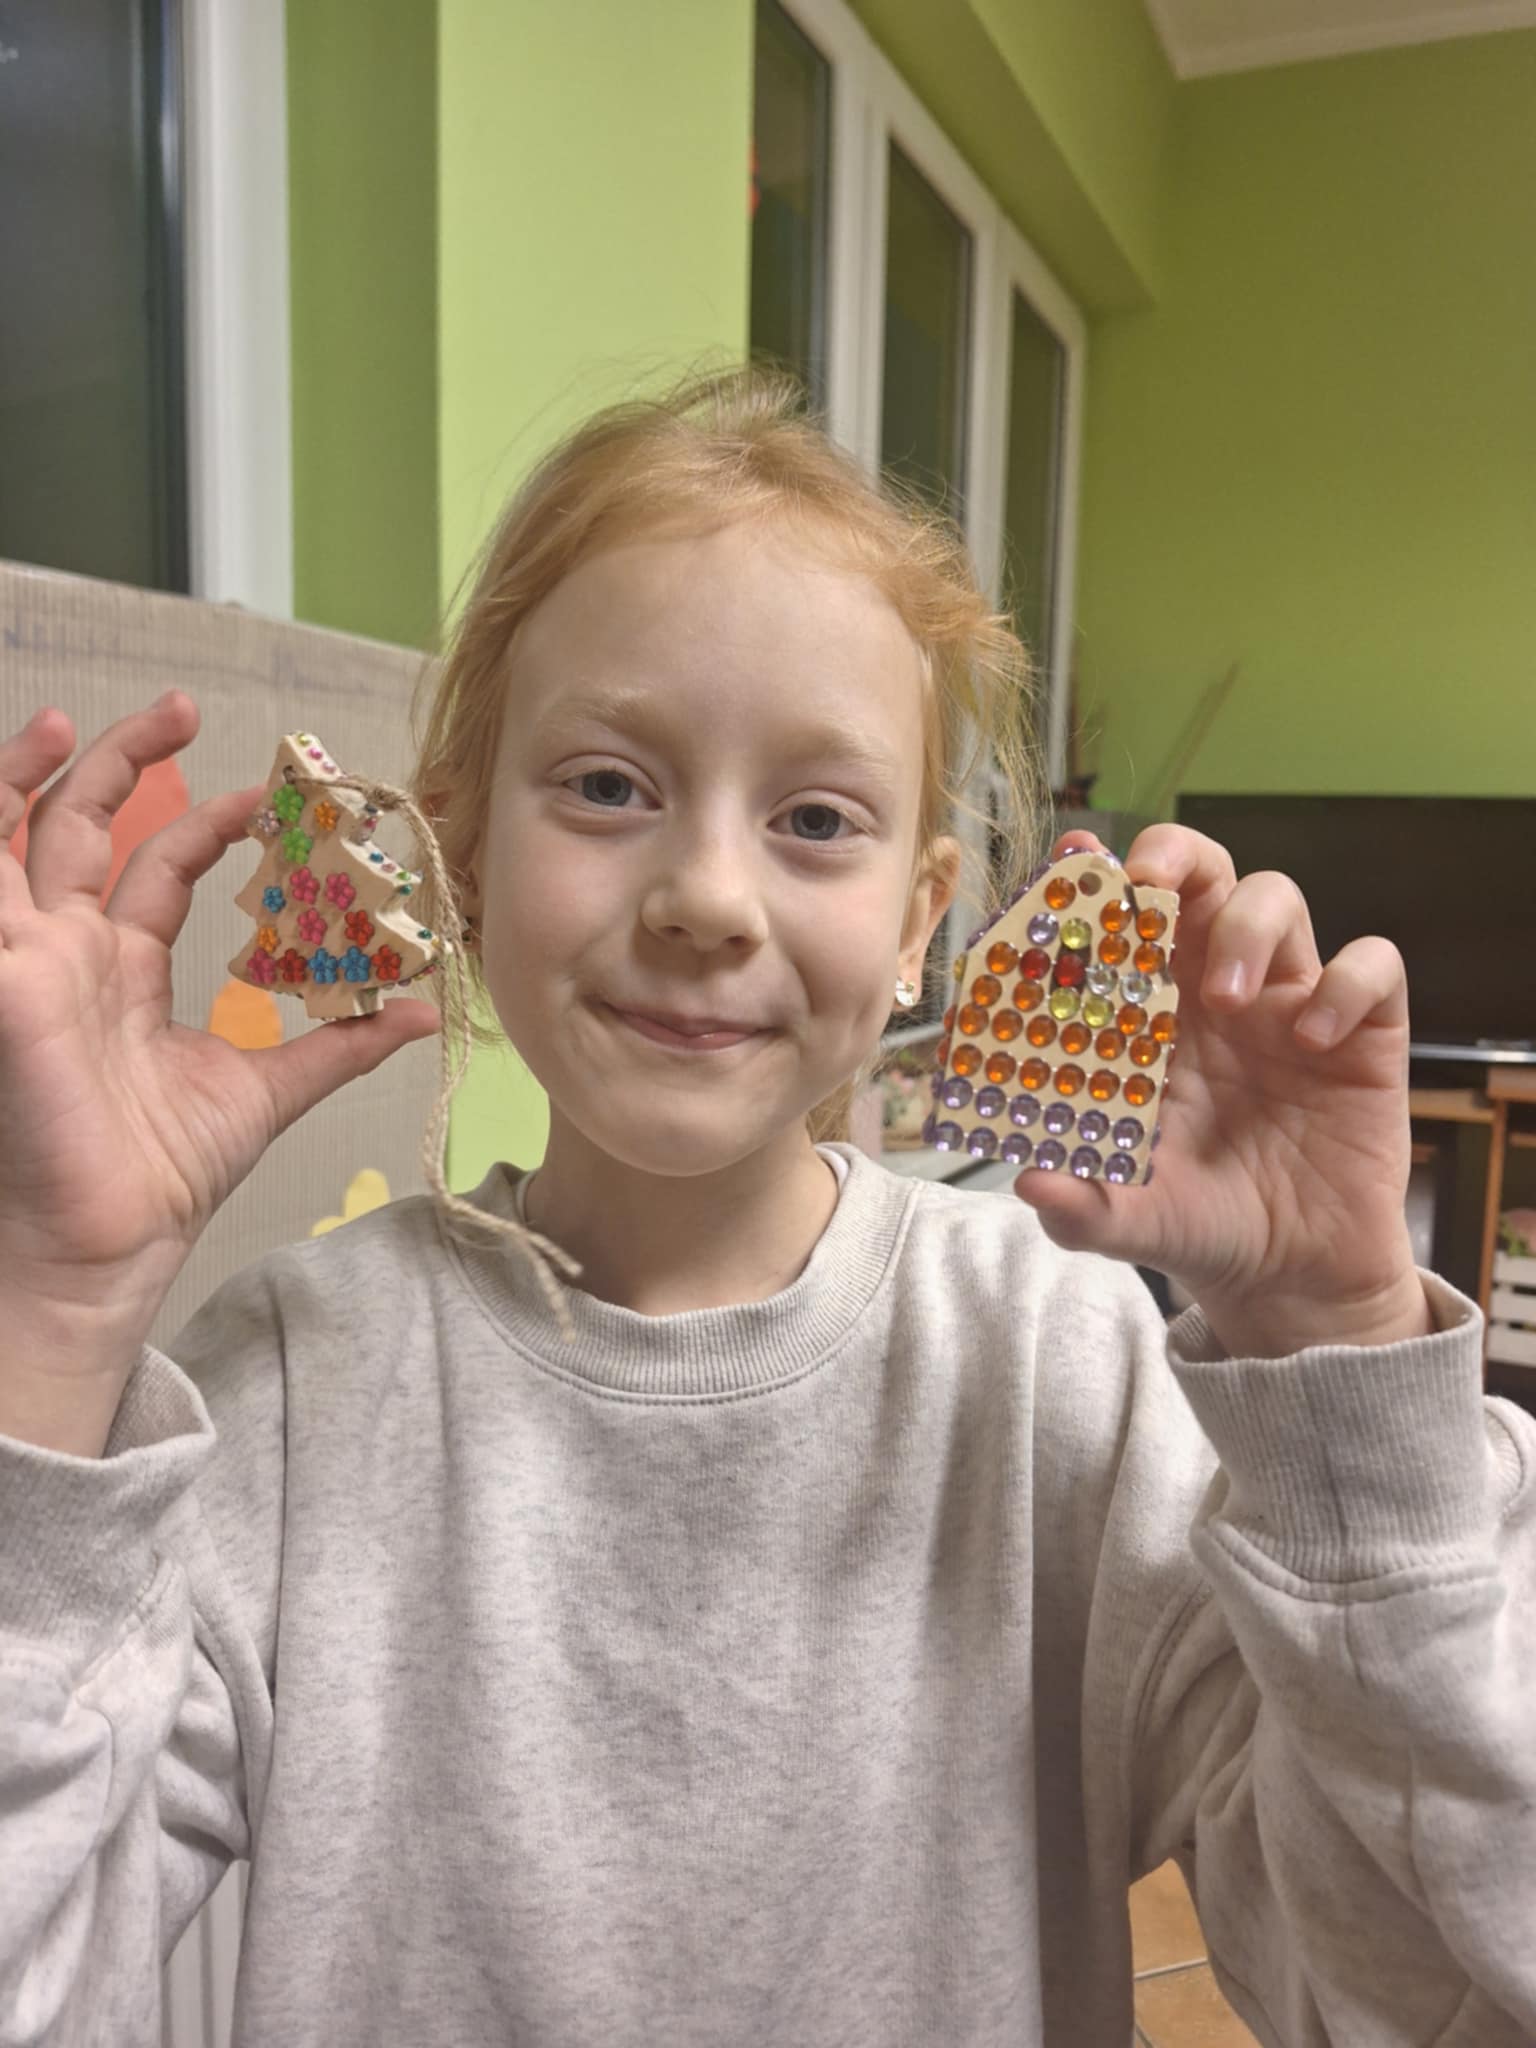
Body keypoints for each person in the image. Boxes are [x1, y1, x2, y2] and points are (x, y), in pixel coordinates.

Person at [0, 367, 1531, 2048]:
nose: (709, 899)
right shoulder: (300, 1383)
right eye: (606, 786)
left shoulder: (1058, 1368)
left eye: (815, 820)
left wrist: (1336, 1348)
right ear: (460, 846)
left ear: (920, 924)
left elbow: (1435, 1992)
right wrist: (53, 1312)